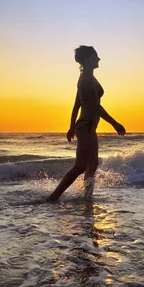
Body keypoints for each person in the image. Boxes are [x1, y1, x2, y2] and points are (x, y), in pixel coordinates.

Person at [46, 46, 125, 202]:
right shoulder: (86, 80)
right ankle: (53, 198)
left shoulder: (87, 76)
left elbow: (76, 104)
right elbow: (95, 106)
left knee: (93, 164)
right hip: (86, 127)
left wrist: (71, 126)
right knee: (80, 166)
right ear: (88, 59)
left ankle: (87, 197)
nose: (99, 59)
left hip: (88, 128)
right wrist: (114, 123)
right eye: (96, 56)